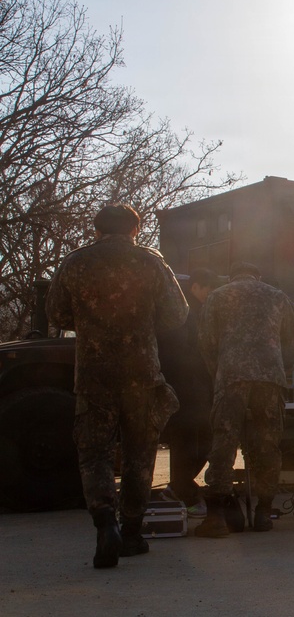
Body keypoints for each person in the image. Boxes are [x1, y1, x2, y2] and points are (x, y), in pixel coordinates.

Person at [46, 204, 189, 569]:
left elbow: (57, 314)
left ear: (96, 229)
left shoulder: (74, 262)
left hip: (93, 375)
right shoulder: (151, 261)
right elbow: (177, 314)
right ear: (135, 229)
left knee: (94, 453)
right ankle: (132, 532)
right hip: (141, 373)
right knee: (140, 453)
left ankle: (104, 522)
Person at [195, 261, 294, 537]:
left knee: (224, 440)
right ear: (258, 275)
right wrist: (279, 369)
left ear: (231, 277)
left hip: (231, 376)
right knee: (267, 443)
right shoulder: (277, 296)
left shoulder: (219, 296)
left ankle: (217, 516)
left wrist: (218, 373)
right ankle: (264, 512)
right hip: (270, 377)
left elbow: (206, 341)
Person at [158, 268, 220, 517]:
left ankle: (179, 488)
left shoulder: (184, 309)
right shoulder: (185, 312)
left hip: (188, 387)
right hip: (189, 388)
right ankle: (182, 491)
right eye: (208, 289)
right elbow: (188, 351)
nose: (210, 294)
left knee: (193, 441)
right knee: (193, 442)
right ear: (196, 286)